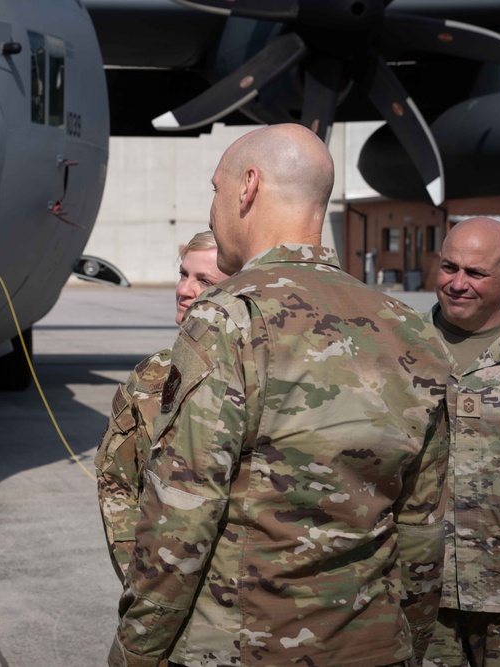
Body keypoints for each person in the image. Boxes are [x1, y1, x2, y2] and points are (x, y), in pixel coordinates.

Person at [109, 123, 451, 667]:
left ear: (248, 187)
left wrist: (136, 650)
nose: (213, 209)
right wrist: (406, 640)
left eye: (215, 190)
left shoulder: (228, 319)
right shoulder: (411, 329)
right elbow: (422, 527)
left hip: (244, 648)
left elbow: (183, 515)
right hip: (376, 647)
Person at [422, 217, 500, 667]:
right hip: (419, 589)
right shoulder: (397, 346)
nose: (457, 284)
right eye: (449, 267)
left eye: (475, 273)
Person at [96, 231, 229, 579]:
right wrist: (135, 574)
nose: (184, 291)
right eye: (183, 274)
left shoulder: (266, 378)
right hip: (161, 588)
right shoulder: (151, 378)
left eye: (204, 280)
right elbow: (116, 482)